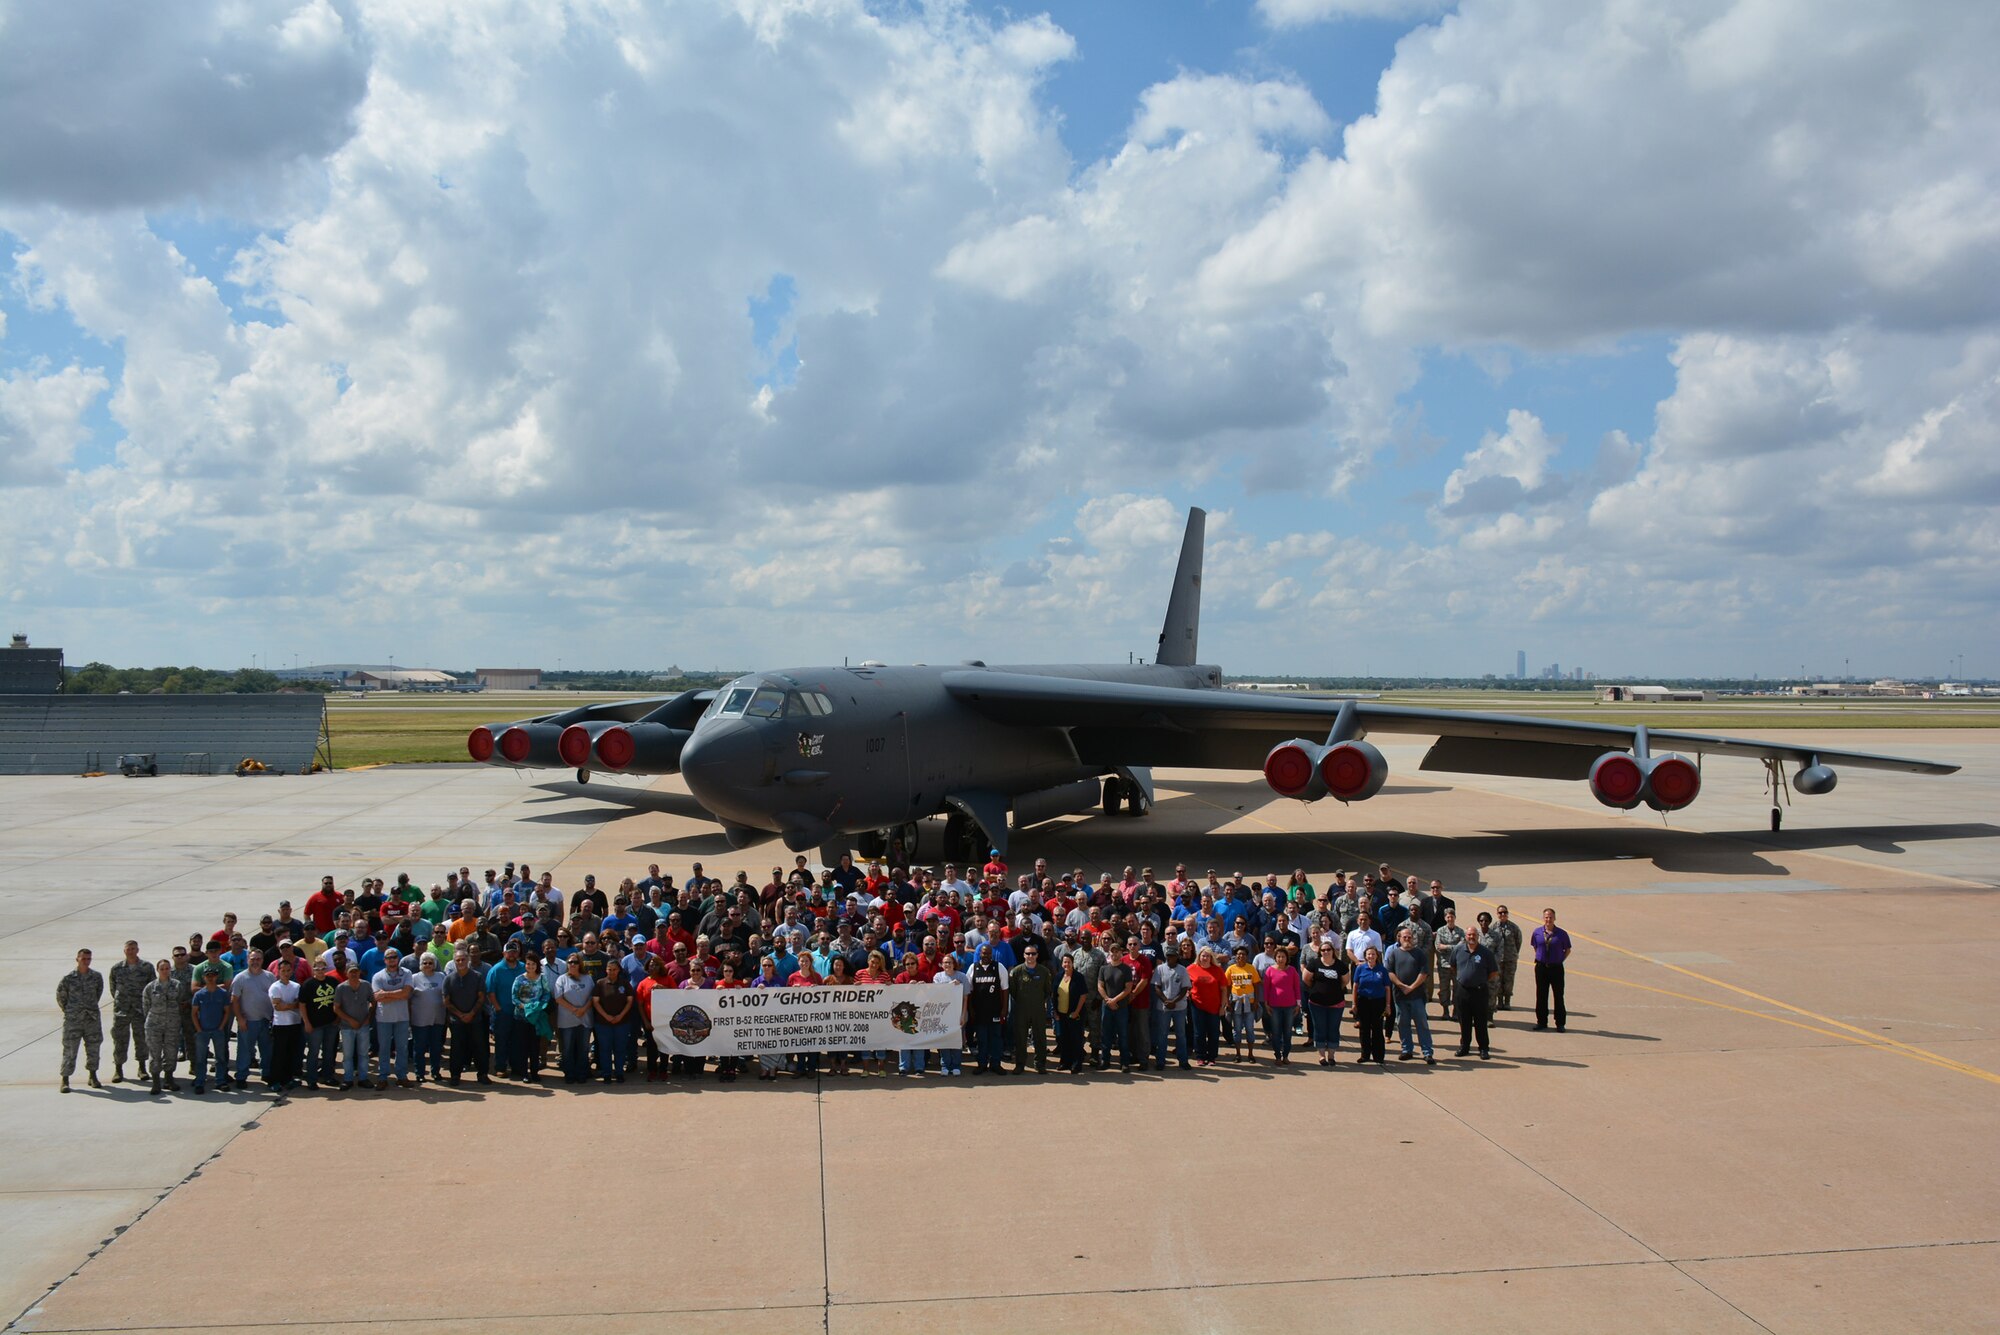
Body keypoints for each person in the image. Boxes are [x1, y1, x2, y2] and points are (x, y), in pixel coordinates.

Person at [57, 948, 106, 1093]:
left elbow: (98, 993)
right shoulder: (68, 978)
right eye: (83, 958)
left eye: (88, 959)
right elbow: (61, 997)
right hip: (73, 1020)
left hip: (91, 1019)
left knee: (94, 1048)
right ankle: (65, 1079)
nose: (86, 961)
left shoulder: (96, 977)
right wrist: (71, 1011)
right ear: (77, 959)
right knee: (70, 1050)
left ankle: (93, 1076)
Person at [1384, 926, 1434, 1065]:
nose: (1407, 939)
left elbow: (1424, 973)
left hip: (1417, 996)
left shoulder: (1419, 954)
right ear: (1399, 938)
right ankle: (1407, 1050)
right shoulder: (1394, 954)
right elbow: (1389, 972)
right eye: (1404, 937)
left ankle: (1427, 1052)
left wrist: (1411, 987)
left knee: (1422, 1024)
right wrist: (1401, 985)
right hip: (1400, 996)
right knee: (1402, 1024)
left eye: (1409, 937)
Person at [230, 949, 276, 1089]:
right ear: (248, 960)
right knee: (245, 1050)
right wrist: (240, 1019)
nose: (255, 961)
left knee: (267, 1049)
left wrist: (274, 1018)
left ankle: (266, 1073)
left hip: (266, 1020)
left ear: (262, 960)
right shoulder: (240, 978)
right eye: (253, 959)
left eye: (258, 959)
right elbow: (234, 1000)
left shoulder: (269, 977)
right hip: (248, 1022)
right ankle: (241, 1076)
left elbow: (274, 997)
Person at [108, 940, 152, 1084]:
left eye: (133, 949)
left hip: (140, 1010)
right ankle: (118, 1069)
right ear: (124, 951)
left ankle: (142, 1068)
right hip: (122, 1010)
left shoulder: (146, 967)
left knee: (141, 1039)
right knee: (120, 1040)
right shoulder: (117, 968)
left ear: (137, 950)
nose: (131, 951)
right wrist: (121, 1002)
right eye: (128, 949)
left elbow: (151, 987)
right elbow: (113, 988)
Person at [370, 948, 415, 1089]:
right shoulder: (378, 976)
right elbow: (377, 997)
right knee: (384, 1048)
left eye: (394, 957)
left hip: (402, 1017)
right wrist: (398, 994)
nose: (392, 960)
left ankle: (401, 1076)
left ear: (398, 959)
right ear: (385, 960)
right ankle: (383, 1077)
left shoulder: (407, 973)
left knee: (402, 1048)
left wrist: (387, 994)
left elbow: (406, 994)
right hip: (384, 1018)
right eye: (389, 957)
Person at [443, 947, 490, 1084]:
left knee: (480, 1047)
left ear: (468, 960)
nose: (461, 962)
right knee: (457, 1049)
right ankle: (455, 1075)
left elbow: (481, 998)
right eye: (458, 960)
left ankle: (482, 1074)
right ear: (454, 962)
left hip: (476, 1019)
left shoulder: (477, 977)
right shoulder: (448, 979)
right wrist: (461, 1015)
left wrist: (471, 1014)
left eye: (463, 959)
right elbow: (447, 1001)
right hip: (456, 1021)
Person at [141, 958, 186, 1094]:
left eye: (167, 968)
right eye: (162, 969)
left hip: (172, 1024)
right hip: (154, 1024)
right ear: (157, 970)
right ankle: (156, 1081)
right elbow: (146, 1006)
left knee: (171, 1051)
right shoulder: (150, 987)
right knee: (155, 1052)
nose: (165, 971)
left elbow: (181, 1002)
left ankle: (169, 1078)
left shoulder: (177, 985)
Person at [1452, 929, 1498, 1060]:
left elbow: (1493, 972)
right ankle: (1464, 1046)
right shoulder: (1458, 950)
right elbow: (1453, 966)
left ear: (1478, 937)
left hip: (1479, 991)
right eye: (1469, 935)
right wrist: (1463, 978)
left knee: (1480, 1021)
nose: (1471, 937)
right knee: (1464, 1020)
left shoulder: (1486, 953)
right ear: (1465, 936)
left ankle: (1483, 1048)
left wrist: (1479, 980)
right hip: (1462, 991)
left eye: (1474, 935)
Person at [1008, 944, 1052, 1074]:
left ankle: (1040, 1064)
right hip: (1021, 1009)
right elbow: (1013, 991)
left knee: (1040, 1038)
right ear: (1023, 955)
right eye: (1028, 954)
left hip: (1038, 1009)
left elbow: (1047, 991)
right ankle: (1020, 1064)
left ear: (1037, 955)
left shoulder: (1044, 972)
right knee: (1020, 1038)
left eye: (1033, 953)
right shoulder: (1016, 971)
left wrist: (1039, 1002)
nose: (1030, 956)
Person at [190, 964, 234, 1093]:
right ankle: (200, 1081)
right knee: (201, 1058)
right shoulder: (199, 995)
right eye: (207, 976)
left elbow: (227, 1011)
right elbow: (194, 1013)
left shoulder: (223, 994)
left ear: (216, 977)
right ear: (203, 977)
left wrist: (221, 1027)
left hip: (217, 1030)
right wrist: (198, 1029)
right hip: (202, 1031)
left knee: (220, 1057)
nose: (210, 978)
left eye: (213, 976)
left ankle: (220, 1081)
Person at [298, 955, 340, 1089]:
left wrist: (337, 1019)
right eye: (317, 968)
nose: (320, 971)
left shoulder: (333, 982)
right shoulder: (308, 984)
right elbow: (302, 1005)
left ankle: (328, 1076)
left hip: (331, 1023)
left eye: (323, 968)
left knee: (329, 1052)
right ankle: (312, 1079)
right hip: (314, 1025)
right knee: (313, 1052)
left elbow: (339, 1002)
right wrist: (306, 1023)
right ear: (313, 969)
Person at [552, 955, 595, 1084]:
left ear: (580, 964)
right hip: (567, 1020)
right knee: (567, 1048)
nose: (573, 964)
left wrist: (583, 1009)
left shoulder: (587, 978)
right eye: (570, 962)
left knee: (583, 1048)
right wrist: (574, 1010)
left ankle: (582, 1073)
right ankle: (569, 1074)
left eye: (575, 962)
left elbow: (593, 996)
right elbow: (558, 998)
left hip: (585, 1018)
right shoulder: (562, 979)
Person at [592, 958, 635, 1082]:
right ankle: (606, 1074)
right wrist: (607, 1016)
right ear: (606, 970)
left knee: (620, 1049)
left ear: (618, 970)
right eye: (609, 969)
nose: (612, 972)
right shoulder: (600, 983)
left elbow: (630, 1001)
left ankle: (619, 1073)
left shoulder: (624, 983)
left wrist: (620, 1015)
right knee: (605, 1049)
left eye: (614, 969)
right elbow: (595, 1002)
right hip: (603, 1023)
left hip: (622, 1022)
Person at [967, 943, 1009, 1073]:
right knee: (981, 1038)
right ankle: (982, 1064)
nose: (986, 955)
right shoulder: (973, 968)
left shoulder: (999, 967)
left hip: (995, 1009)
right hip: (979, 1011)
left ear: (992, 954)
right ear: (979, 953)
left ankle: (996, 1064)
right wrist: (971, 1009)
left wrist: (1004, 1009)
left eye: (989, 953)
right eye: (984, 953)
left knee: (996, 1038)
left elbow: (1005, 990)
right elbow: (968, 991)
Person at [1304, 940, 1346, 1066]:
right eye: (1323, 950)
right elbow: (1306, 979)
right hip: (1317, 1003)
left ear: (1333, 951)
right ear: (1320, 952)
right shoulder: (1314, 963)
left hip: (1336, 1003)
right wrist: (1316, 988)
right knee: (1320, 1028)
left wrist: (1334, 990)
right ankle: (1322, 1056)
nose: (1326, 952)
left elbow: (1344, 981)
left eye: (1328, 949)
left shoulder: (1340, 965)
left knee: (1333, 1028)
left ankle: (1331, 1055)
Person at [407, 953, 448, 1082]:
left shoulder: (441, 976)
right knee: (419, 1048)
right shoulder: (414, 978)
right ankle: (419, 1073)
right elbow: (408, 999)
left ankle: (435, 1072)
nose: (428, 965)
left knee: (436, 1047)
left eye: (430, 963)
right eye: (425, 963)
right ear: (420, 964)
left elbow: (446, 995)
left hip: (438, 1018)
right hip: (420, 1019)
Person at [266, 957, 305, 1091]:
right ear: (278, 971)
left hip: (294, 1023)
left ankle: (287, 1079)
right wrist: (293, 1005)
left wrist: (288, 1005)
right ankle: (274, 1081)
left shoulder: (296, 986)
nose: (286, 973)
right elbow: (278, 1007)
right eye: (283, 970)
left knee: (291, 1053)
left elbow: (299, 1004)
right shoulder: (275, 987)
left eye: (288, 970)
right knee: (278, 1054)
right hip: (280, 1025)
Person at [1532, 908, 1573, 1032]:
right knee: (1541, 995)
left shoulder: (1562, 934)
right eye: (1546, 917)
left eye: (1550, 917)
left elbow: (1567, 950)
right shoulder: (1537, 932)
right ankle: (1542, 1022)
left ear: (1554, 918)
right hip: (1541, 967)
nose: (1548, 919)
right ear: (1543, 918)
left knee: (1558, 995)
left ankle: (1560, 1023)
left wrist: (1559, 959)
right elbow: (1535, 946)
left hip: (1556, 968)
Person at [513, 955, 553, 1081]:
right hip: (521, 1017)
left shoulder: (542, 979)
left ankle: (535, 1072)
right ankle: (524, 1073)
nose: (530, 966)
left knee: (535, 1046)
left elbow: (546, 994)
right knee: (522, 1046)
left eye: (533, 964)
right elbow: (514, 997)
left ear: (537, 965)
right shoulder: (519, 979)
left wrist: (539, 1006)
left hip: (536, 1018)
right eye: (528, 964)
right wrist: (524, 1007)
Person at [334, 963, 373, 1089]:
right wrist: (350, 1020)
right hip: (347, 1027)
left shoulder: (366, 985)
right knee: (348, 1055)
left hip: (363, 1025)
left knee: (363, 1054)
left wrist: (368, 1018)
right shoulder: (341, 988)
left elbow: (373, 1002)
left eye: (356, 971)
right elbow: (336, 1008)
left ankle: (363, 1078)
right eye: (351, 971)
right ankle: (348, 1079)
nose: (354, 974)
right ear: (346, 973)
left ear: (359, 972)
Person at [1096, 945, 1135, 1071]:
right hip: (1107, 1007)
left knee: (1123, 1035)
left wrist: (1115, 1000)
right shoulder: (1104, 969)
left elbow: (1128, 988)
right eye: (1112, 951)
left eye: (1117, 951)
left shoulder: (1126, 969)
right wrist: (1108, 999)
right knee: (1106, 1035)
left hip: (1121, 1007)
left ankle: (1124, 1062)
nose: (1114, 954)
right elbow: (1100, 986)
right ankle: (1105, 1060)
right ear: (1109, 953)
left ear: (1121, 953)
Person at [1153, 946, 1192, 1070]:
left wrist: (1174, 1001)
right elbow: (1157, 987)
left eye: (1173, 956)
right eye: (1168, 956)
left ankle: (1183, 1060)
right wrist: (1166, 1001)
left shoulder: (1183, 970)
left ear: (1177, 957)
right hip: (1163, 1007)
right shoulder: (1159, 969)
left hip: (1179, 1007)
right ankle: (1160, 1061)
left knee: (1181, 1034)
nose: (1171, 958)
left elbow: (1185, 988)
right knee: (1162, 1034)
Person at [1262, 944, 1302, 1065]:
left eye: (1283, 956)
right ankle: (1277, 1056)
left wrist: (1298, 1004)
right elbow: (1266, 988)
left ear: (1286, 958)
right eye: (1278, 956)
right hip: (1274, 1006)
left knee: (1287, 1032)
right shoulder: (1269, 970)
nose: (1281, 959)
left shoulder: (1292, 970)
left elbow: (1296, 988)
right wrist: (1266, 1004)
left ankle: (1286, 1055)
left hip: (1290, 1006)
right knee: (1276, 1032)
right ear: (1275, 958)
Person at [1185, 946, 1225, 1067]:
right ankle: (1200, 1056)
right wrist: (1188, 992)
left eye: (1208, 956)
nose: (1205, 958)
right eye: (1203, 955)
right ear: (1199, 956)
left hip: (1214, 1006)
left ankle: (1212, 1057)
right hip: (1197, 1005)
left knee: (1213, 1033)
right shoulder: (1191, 969)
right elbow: (1185, 984)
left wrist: (1223, 1006)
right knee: (1199, 1033)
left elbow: (1223, 989)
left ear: (1211, 957)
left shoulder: (1218, 970)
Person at [1351, 946, 1390, 1065]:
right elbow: (1355, 986)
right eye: (1368, 954)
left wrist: (1388, 1005)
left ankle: (1378, 1056)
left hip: (1378, 1002)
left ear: (1377, 956)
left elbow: (1387, 988)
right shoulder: (1360, 968)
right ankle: (1365, 1054)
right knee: (1364, 1029)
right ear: (1365, 956)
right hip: (1363, 1001)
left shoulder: (1382, 970)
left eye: (1373, 954)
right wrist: (1354, 1003)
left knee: (1377, 1029)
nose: (1371, 957)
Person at [1053, 951, 1089, 1074]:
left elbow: (1083, 995)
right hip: (1061, 1014)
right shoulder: (1058, 976)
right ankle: (1064, 1062)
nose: (1066, 964)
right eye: (1064, 962)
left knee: (1076, 1039)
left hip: (1074, 1014)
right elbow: (1054, 995)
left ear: (1073, 963)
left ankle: (1076, 1064)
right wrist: (1055, 1012)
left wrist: (1076, 1012)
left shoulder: (1078, 977)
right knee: (1063, 1039)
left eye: (1069, 962)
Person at [1224, 946, 1260, 1063]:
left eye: (1243, 954)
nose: (1241, 956)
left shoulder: (1251, 968)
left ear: (1247, 956)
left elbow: (1256, 985)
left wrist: (1256, 1001)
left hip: (1249, 1003)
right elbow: (1227, 986)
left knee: (1250, 1029)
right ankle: (1238, 1054)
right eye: (1238, 954)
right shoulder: (1230, 969)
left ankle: (1250, 1054)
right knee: (1237, 1029)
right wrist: (1227, 1002)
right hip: (1236, 1003)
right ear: (1235, 956)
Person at [1432, 909, 1466, 1021]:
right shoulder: (1440, 931)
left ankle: (1456, 1011)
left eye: (1451, 917)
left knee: (1457, 989)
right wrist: (1453, 947)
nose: (1449, 919)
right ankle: (1445, 1010)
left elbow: (1462, 947)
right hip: (1444, 965)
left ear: (1455, 918)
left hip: (1457, 966)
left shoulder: (1460, 931)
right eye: (1447, 917)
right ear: (1445, 918)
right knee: (1444, 989)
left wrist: (1446, 947)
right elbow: (1438, 946)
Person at [1493, 905, 1524, 1011]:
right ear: (1497, 914)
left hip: (1510, 958)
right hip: (1498, 959)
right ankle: (1499, 1001)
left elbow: (1518, 941)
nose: (1503, 915)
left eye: (1505, 912)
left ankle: (1507, 1001)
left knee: (1509, 980)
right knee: (1498, 980)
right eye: (1500, 913)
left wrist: (1513, 953)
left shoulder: (1514, 927)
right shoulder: (1493, 927)